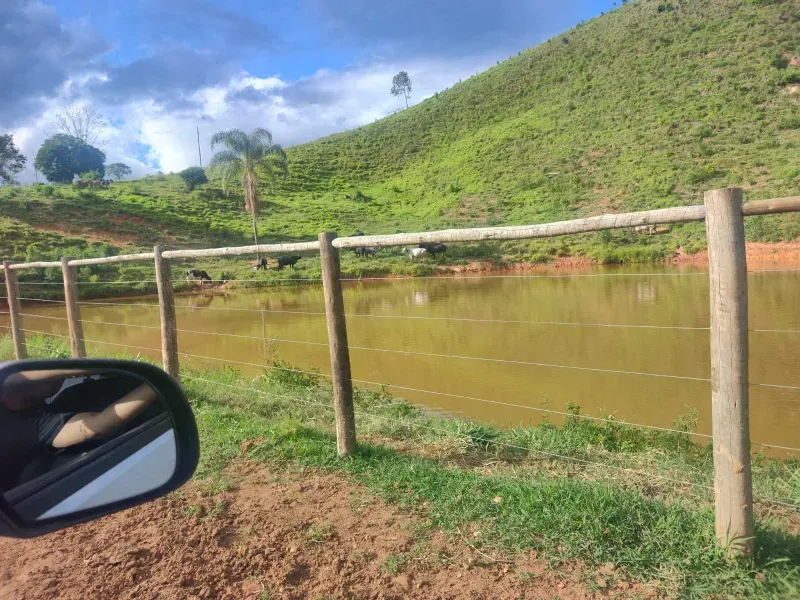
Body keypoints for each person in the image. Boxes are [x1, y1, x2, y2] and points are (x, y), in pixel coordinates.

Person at [0, 370, 159, 491]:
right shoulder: (20, 427)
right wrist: (156, 383)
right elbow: (98, 426)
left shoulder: (35, 408)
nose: (59, 381)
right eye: (48, 379)